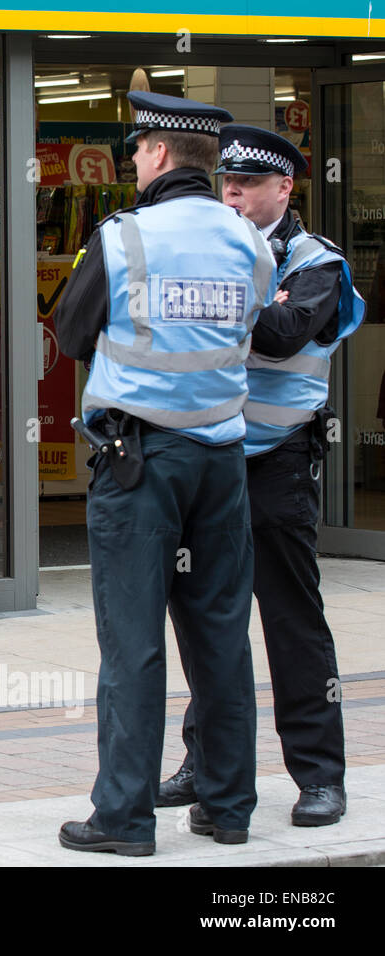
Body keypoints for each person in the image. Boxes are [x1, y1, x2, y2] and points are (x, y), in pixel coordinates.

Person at [53, 92, 277, 855]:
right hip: (222, 458)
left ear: (155, 155)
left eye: (138, 148)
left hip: (139, 462)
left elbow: (73, 331)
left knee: (134, 643)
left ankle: (123, 820)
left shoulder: (123, 237)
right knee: (221, 636)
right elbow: (253, 325)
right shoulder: (251, 242)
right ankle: (229, 808)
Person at [157, 125, 363, 827]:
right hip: (210, 456)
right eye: (228, 182)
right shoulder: (218, 247)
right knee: (210, 622)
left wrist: (212, 306)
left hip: (277, 461)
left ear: (286, 189)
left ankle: (320, 777)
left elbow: (284, 333)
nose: (234, 194)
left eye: (248, 184)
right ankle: (205, 763)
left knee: (290, 622)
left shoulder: (317, 260)